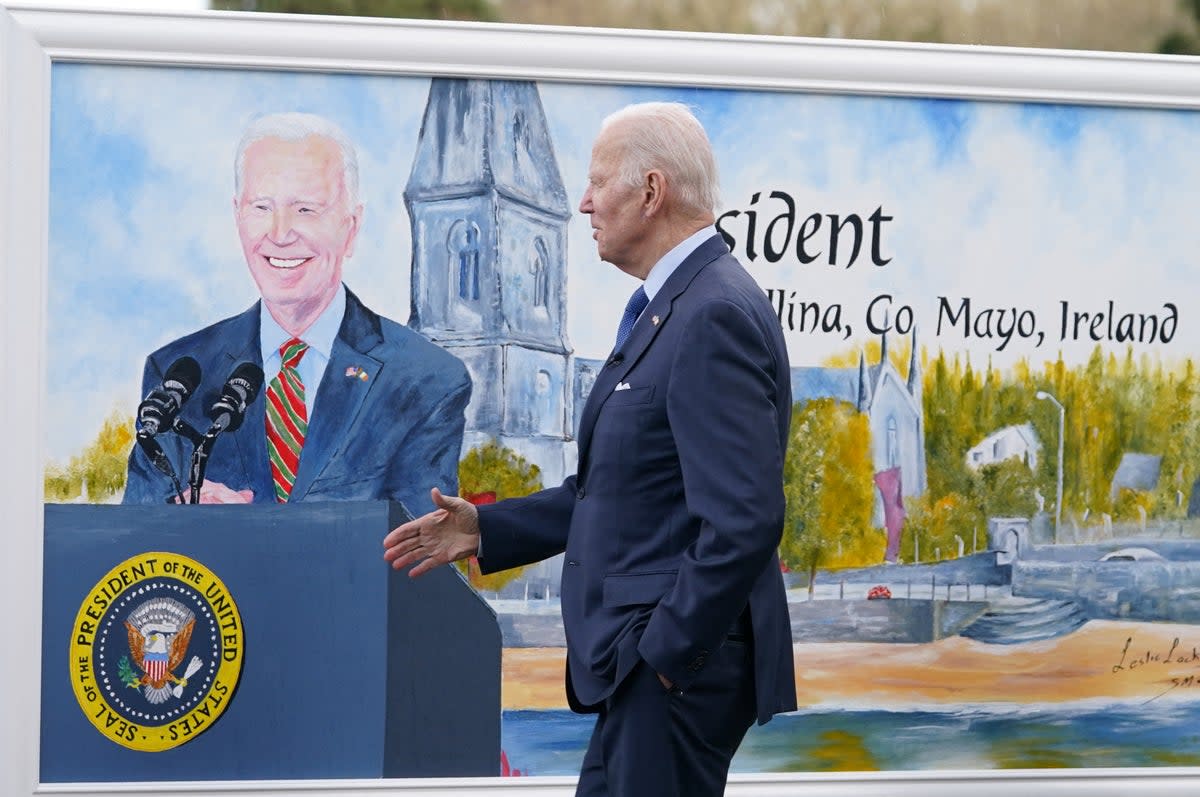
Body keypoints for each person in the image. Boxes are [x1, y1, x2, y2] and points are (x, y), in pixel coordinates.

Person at [383, 102, 795, 796]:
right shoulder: (678, 307)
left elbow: (746, 518)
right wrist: (484, 527)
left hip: (670, 677)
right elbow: (610, 491)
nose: (583, 203)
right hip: (648, 677)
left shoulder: (711, 313)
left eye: (599, 182)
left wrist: (664, 655)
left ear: (652, 191)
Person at [123, 112, 470, 513]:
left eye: (305, 209)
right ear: (238, 218)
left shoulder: (423, 380)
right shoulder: (179, 374)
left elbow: (418, 558)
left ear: (351, 228)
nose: (280, 233)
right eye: (261, 207)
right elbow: (138, 550)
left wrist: (251, 533)